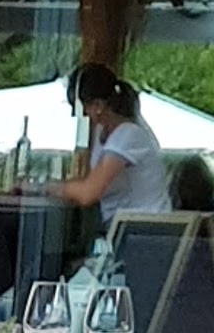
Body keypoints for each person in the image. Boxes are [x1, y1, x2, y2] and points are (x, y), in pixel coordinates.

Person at [55, 64, 168, 223]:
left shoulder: (128, 135)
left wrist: (47, 188)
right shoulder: (102, 132)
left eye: (80, 108)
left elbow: (88, 193)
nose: (77, 115)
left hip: (146, 227)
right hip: (123, 224)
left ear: (98, 106)